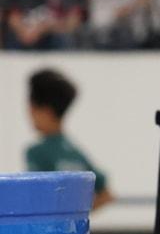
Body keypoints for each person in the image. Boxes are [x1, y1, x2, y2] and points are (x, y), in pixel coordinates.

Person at [25, 68, 113, 210]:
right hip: (71, 224)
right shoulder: (74, 152)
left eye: (32, 108)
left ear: (45, 111)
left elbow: (36, 199)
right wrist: (74, 212)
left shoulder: (37, 152)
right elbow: (106, 194)